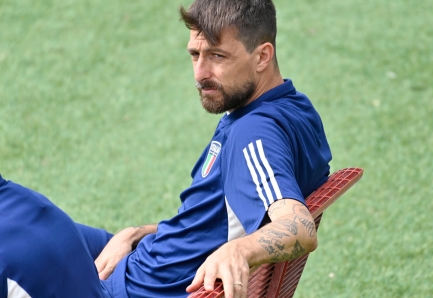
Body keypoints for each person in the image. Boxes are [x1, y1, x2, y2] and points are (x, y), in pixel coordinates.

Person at [0, 0, 332, 297]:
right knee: (27, 214)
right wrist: (139, 234)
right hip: (151, 257)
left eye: (217, 56)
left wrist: (239, 251)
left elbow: (299, 228)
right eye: (195, 54)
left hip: (136, 289)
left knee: (14, 242)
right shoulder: (294, 108)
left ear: (262, 56)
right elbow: (216, 223)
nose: (200, 73)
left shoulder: (253, 132)